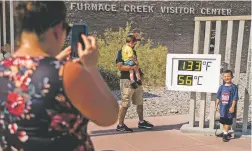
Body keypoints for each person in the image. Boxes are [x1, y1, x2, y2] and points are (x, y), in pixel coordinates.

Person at [0, 1, 119, 151]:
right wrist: (91, 67)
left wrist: (53, 62)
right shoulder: (67, 72)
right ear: (57, 30)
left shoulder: (3, 70)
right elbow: (109, 116)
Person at [115, 33, 154, 132]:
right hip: (126, 81)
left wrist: (141, 76)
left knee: (139, 102)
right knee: (125, 104)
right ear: (132, 41)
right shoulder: (121, 52)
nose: (137, 43)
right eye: (136, 41)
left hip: (137, 80)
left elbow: (136, 64)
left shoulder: (134, 52)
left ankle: (141, 122)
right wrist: (133, 67)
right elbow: (120, 67)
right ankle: (120, 125)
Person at [215, 70, 239, 142]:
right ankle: (225, 132)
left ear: (231, 77)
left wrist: (232, 107)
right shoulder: (221, 87)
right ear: (223, 77)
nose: (226, 78)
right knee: (223, 121)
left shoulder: (234, 87)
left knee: (228, 121)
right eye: (225, 76)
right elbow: (218, 97)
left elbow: (235, 98)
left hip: (229, 108)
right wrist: (216, 104)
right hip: (222, 108)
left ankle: (225, 134)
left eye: (228, 76)